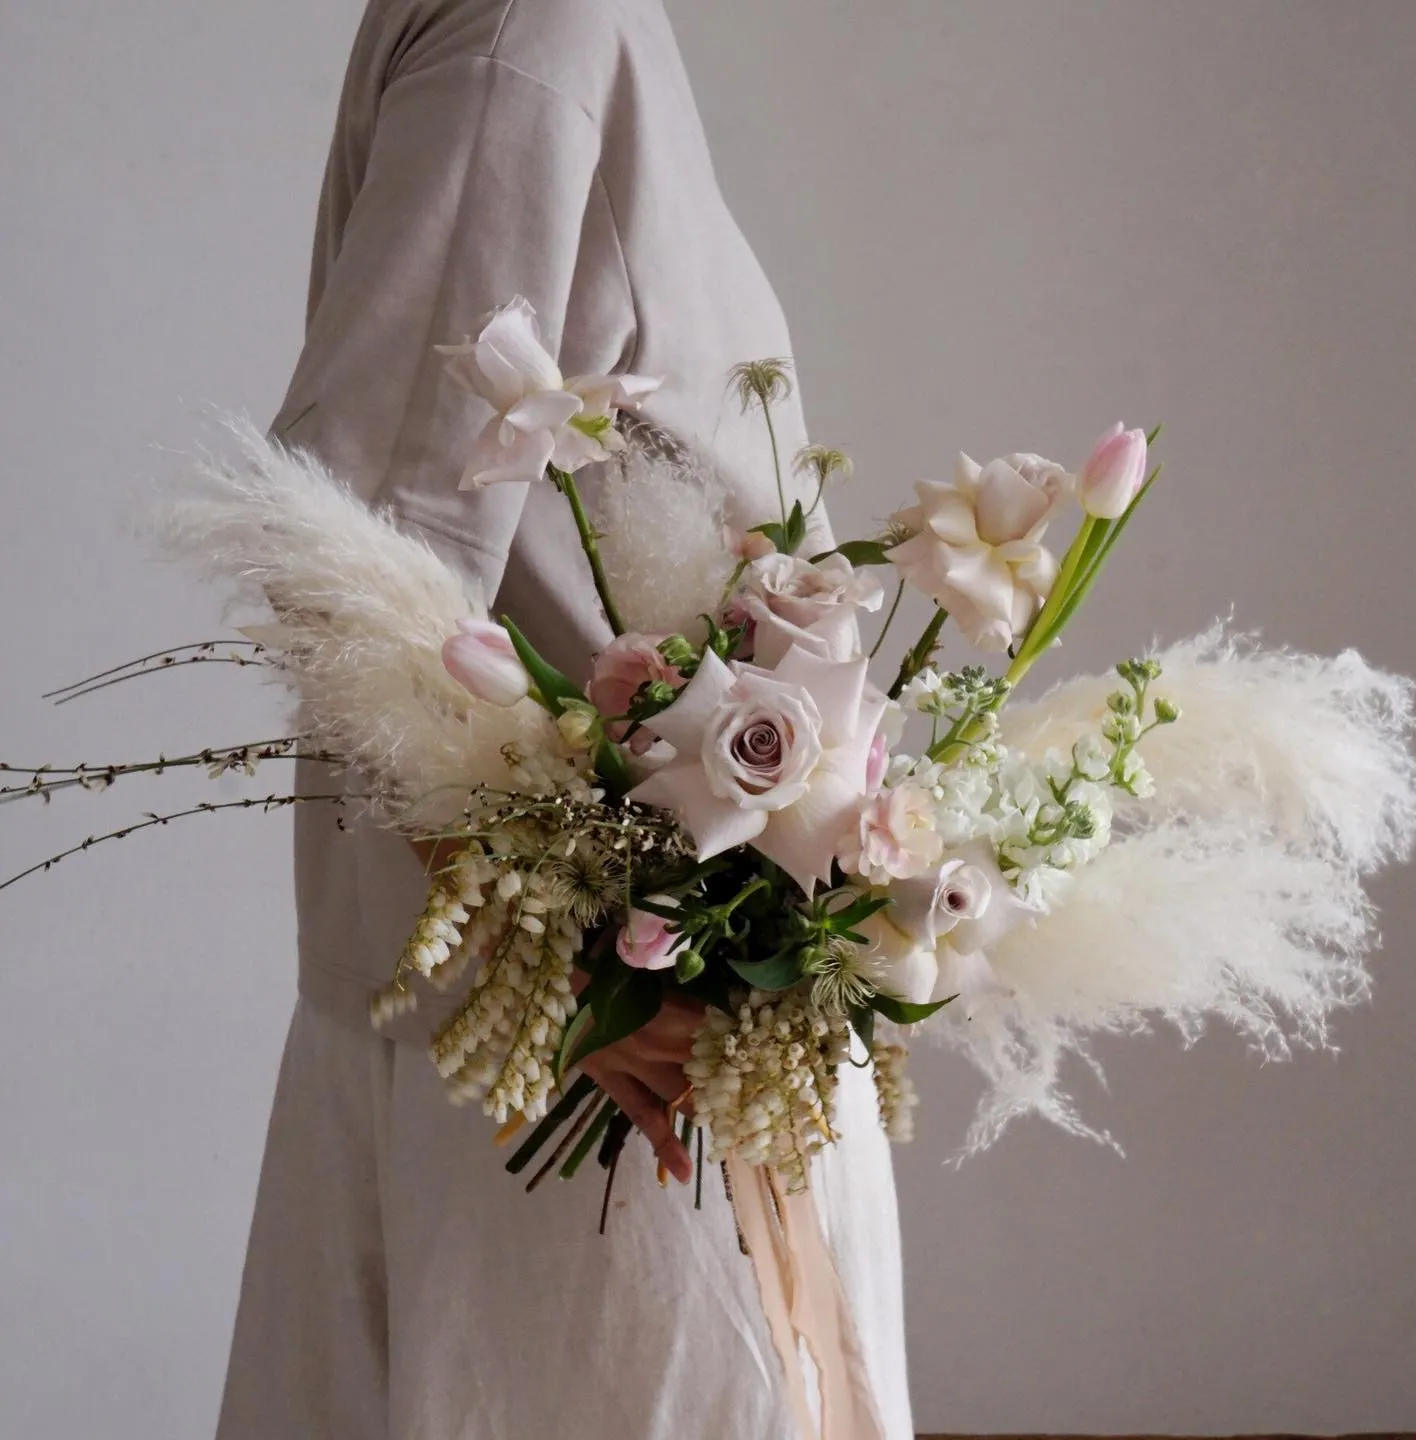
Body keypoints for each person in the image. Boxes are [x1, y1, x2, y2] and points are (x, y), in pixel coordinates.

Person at [216, 2, 913, 1436]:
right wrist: (561, 973)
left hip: (642, 1029)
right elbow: (355, 551)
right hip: (601, 1073)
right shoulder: (534, 17)